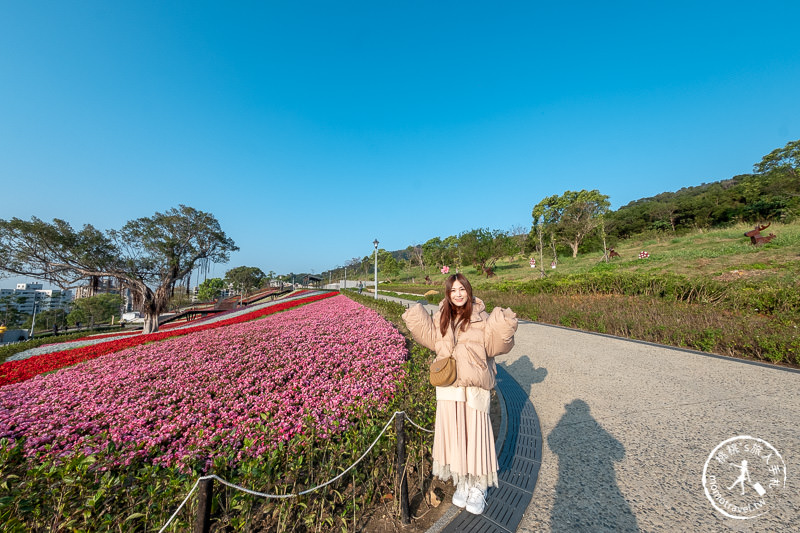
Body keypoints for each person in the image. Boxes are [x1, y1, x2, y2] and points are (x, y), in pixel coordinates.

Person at [402, 273, 517, 515]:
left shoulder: (480, 316)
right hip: (449, 387)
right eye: (453, 289)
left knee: (476, 436)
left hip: (474, 388)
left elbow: (496, 346)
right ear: (448, 292)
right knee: (456, 436)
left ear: (469, 290)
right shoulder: (442, 315)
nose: (457, 294)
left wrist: (504, 325)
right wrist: (415, 318)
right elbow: (432, 340)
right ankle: (463, 482)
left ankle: (478, 487)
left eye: (461, 289)